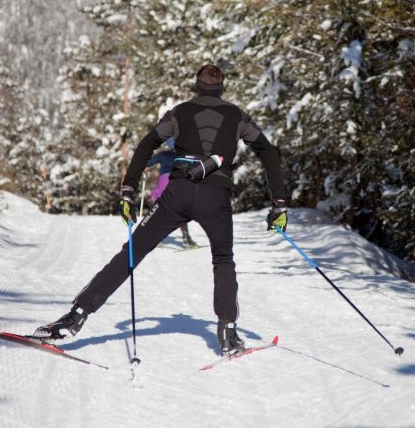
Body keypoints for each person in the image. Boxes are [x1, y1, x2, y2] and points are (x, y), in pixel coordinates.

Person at [33, 64, 289, 354]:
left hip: (176, 195)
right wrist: (278, 203)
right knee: (223, 260)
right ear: (222, 88)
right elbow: (268, 152)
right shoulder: (237, 116)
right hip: (215, 198)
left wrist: (128, 190)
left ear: (196, 86)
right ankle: (228, 332)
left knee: (132, 252)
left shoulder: (179, 113)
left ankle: (76, 316)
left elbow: (146, 145)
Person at [147, 137, 198, 248]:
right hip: (178, 183)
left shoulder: (164, 155)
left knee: (159, 209)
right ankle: (186, 238)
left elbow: (148, 163)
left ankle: (153, 237)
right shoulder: (185, 157)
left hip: (164, 182)